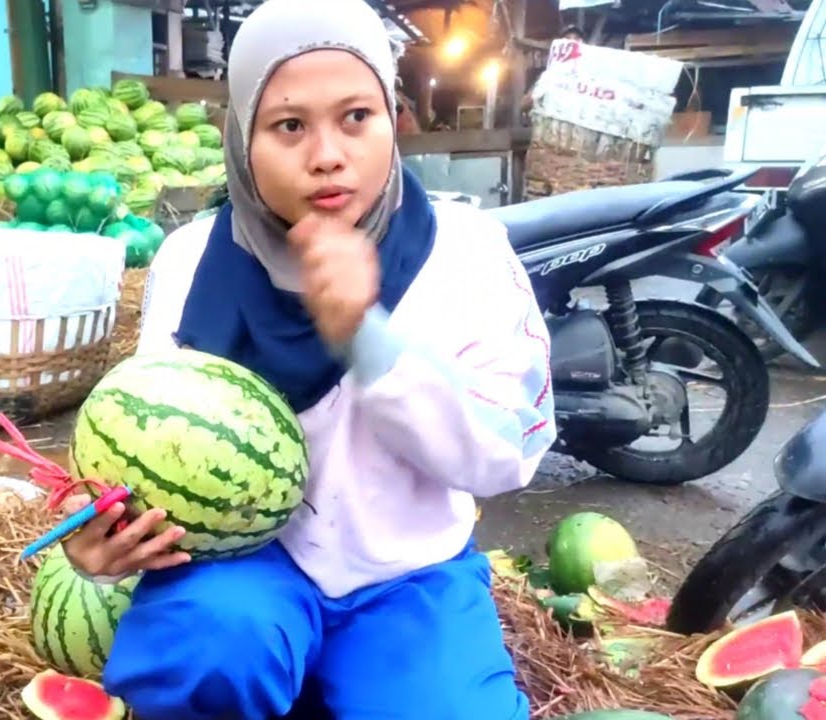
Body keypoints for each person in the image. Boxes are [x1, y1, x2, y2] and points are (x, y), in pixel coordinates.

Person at [59, 1, 556, 719]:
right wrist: (103, 533)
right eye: (289, 125)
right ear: (241, 137)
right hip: (241, 571)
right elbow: (142, 447)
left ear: (393, 117)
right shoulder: (190, 260)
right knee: (209, 649)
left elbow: (507, 455)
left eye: (356, 116)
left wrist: (366, 334)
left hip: (408, 575)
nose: (327, 154)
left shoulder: (466, 251)